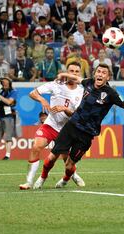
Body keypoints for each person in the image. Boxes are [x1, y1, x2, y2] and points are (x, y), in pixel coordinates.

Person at [33, 63, 124, 189]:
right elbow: (77, 78)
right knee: (51, 157)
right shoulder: (88, 82)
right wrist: (63, 74)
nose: (100, 74)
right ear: (95, 74)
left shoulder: (111, 94)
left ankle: (66, 179)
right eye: (99, 72)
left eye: (104, 73)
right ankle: (42, 178)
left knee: (69, 166)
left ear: (108, 77)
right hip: (71, 126)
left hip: (87, 134)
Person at [19, 62, 85, 190]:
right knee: (36, 146)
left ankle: (73, 175)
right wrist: (42, 100)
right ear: (67, 72)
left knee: (67, 161)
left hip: (67, 130)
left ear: (80, 74)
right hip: (51, 125)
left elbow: (77, 115)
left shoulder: (82, 92)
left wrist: (65, 109)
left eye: (77, 72)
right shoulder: (56, 85)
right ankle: (29, 182)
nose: (74, 74)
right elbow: (33, 93)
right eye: (71, 71)